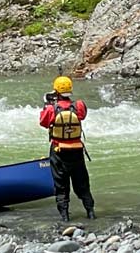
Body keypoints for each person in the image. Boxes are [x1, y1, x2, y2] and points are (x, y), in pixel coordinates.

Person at [39, 75, 96, 222]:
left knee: (61, 185)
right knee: (82, 183)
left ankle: (65, 217)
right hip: (77, 151)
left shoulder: (51, 108)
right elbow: (82, 116)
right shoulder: (79, 105)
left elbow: (43, 122)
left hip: (59, 151)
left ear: (56, 91)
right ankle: (90, 212)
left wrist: (46, 105)